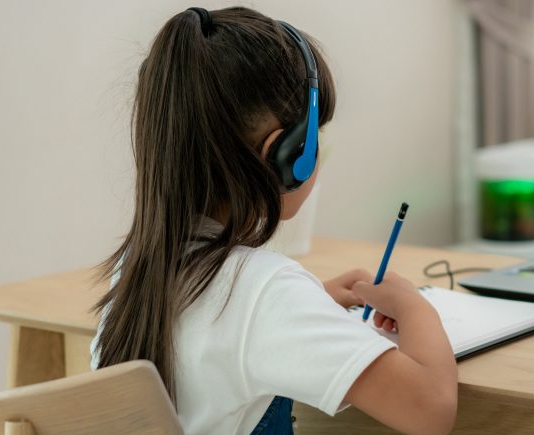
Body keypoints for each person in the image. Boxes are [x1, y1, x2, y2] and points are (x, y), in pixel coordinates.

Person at [88, 8, 456, 434]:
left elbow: (225, 326)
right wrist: (414, 307)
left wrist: (309, 302)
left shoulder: (137, 265)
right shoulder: (265, 291)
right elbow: (431, 410)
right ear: (286, 156)